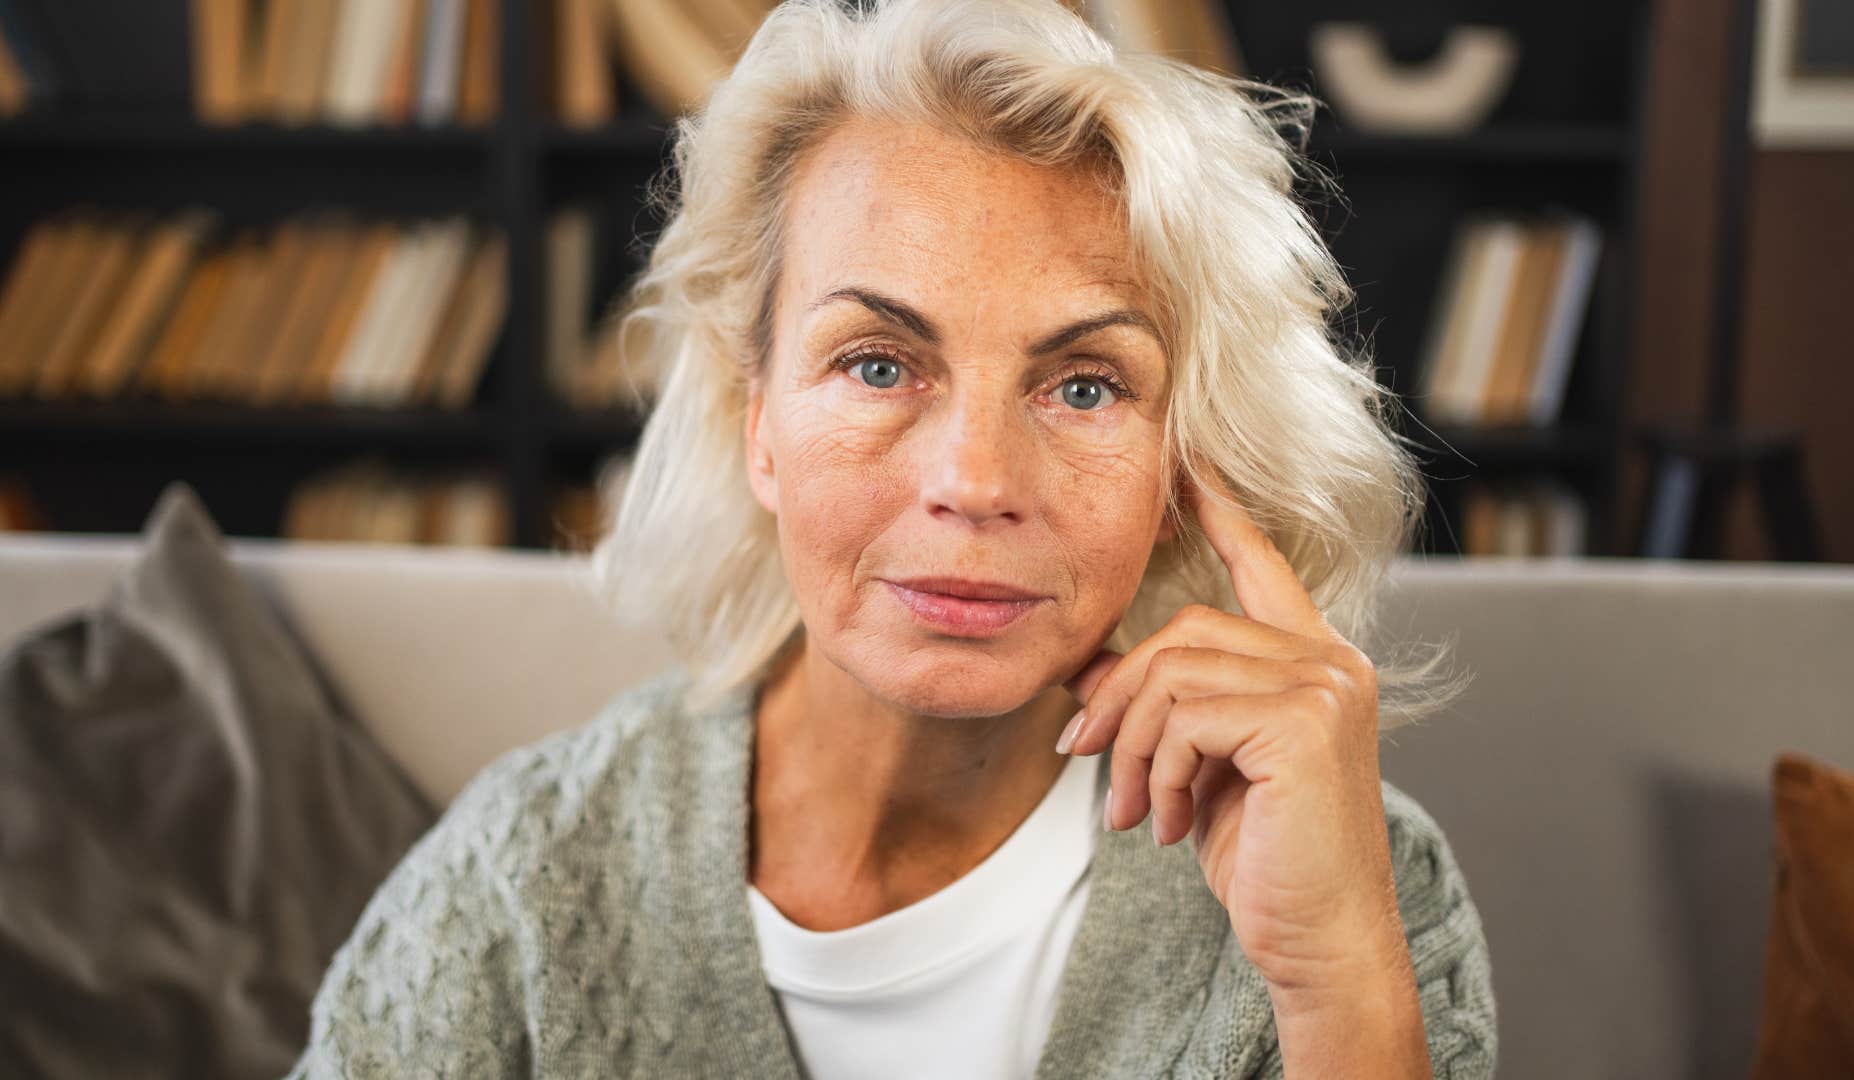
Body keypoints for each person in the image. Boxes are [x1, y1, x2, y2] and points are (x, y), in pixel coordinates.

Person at [290, 0, 1496, 1075]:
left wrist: (1337, 982)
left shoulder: (1361, 881)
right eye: (878, 364)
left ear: (1184, 465)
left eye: (1084, 386)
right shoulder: (523, 881)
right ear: (752, 418)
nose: (975, 482)